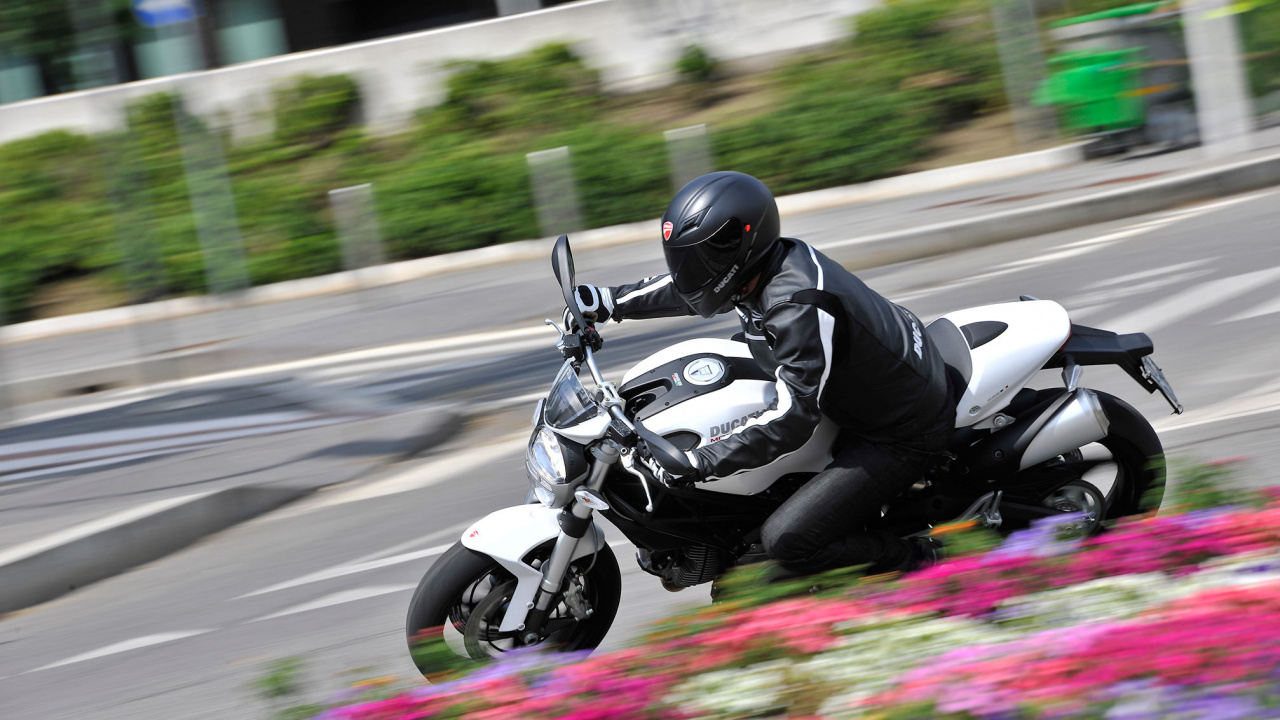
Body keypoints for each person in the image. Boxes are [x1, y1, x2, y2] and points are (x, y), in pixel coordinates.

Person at [569, 171, 958, 575]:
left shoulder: (796, 306)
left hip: (901, 428)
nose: (690, 272)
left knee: (789, 539)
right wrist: (609, 302)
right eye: (686, 260)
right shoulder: (759, 267)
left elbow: (794, 419)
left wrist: (702, 460)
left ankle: (923, 562)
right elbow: (689, 287)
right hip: (867, 381)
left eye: (700, 260)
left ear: (738, 248)